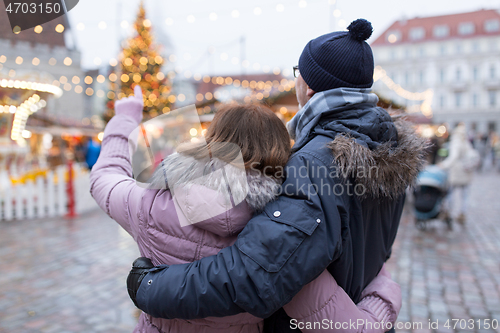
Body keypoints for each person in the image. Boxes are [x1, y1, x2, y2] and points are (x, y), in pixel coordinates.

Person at [126, 19, 428, 331]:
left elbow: (255, 274)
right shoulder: (388, 146)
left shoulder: (312, 163)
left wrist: (152, 286)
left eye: (299, 72)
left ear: (307, 86)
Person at [90, 86, 402, 333]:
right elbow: (349, 327)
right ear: (280, 155)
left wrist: (125, 118)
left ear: (211, 141)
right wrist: (384, 287)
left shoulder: (149, 205)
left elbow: (105, 177)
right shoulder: (278, 236)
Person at [439, 123, 478, 225]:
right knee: (465, 195)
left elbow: (454, 157)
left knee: (450, 193)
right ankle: (462, 213)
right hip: (466, 171)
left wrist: (443, 165)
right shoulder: (465, 141)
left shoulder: (456, 142)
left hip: (456, 172)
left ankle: (448, 212)